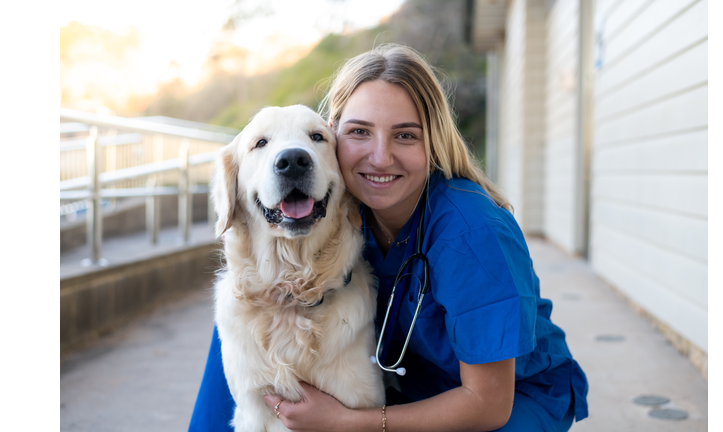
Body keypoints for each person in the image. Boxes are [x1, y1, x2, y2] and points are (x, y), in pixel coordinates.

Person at [189, 44, 588, 432]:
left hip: (508, 399)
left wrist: (350, 423)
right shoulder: (345, 203)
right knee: (242, 304)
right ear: (337, 137)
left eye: (405, 136)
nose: (380, 158)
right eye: (360, 132)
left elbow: (488, 404)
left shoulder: (472, 235)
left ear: (433, 139)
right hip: (416, 382)